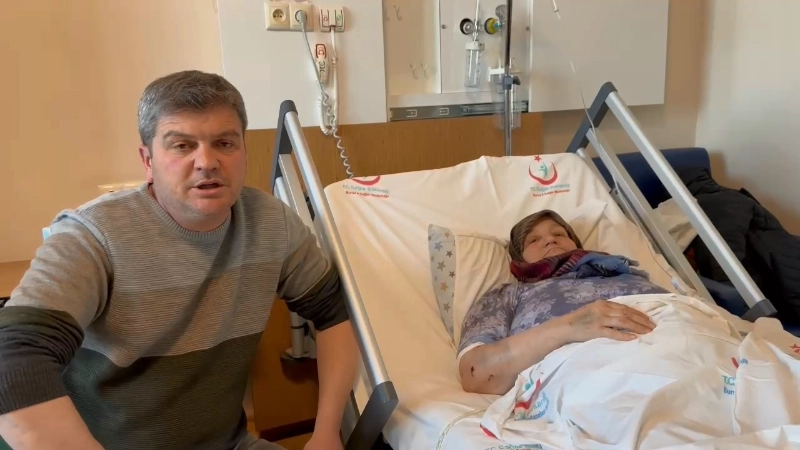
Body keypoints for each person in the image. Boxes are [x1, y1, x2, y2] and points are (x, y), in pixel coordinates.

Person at [0, 70, 359, 450]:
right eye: (182, 145)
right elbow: (13, 357)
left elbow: (334, 313)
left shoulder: (273, 225)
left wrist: (326, 433)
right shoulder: (93, 236)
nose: (207, 162)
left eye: (224, 143)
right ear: (148, 160)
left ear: (243, 151)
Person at [458, 210, 669, 395]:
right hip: (600, 375)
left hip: (673, 337)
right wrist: (570, 327)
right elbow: (475, 373)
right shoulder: (510, 294)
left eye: (559, 234)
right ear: (519, 258)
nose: (550, 240)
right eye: (533, 240)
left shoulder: (625, 274)